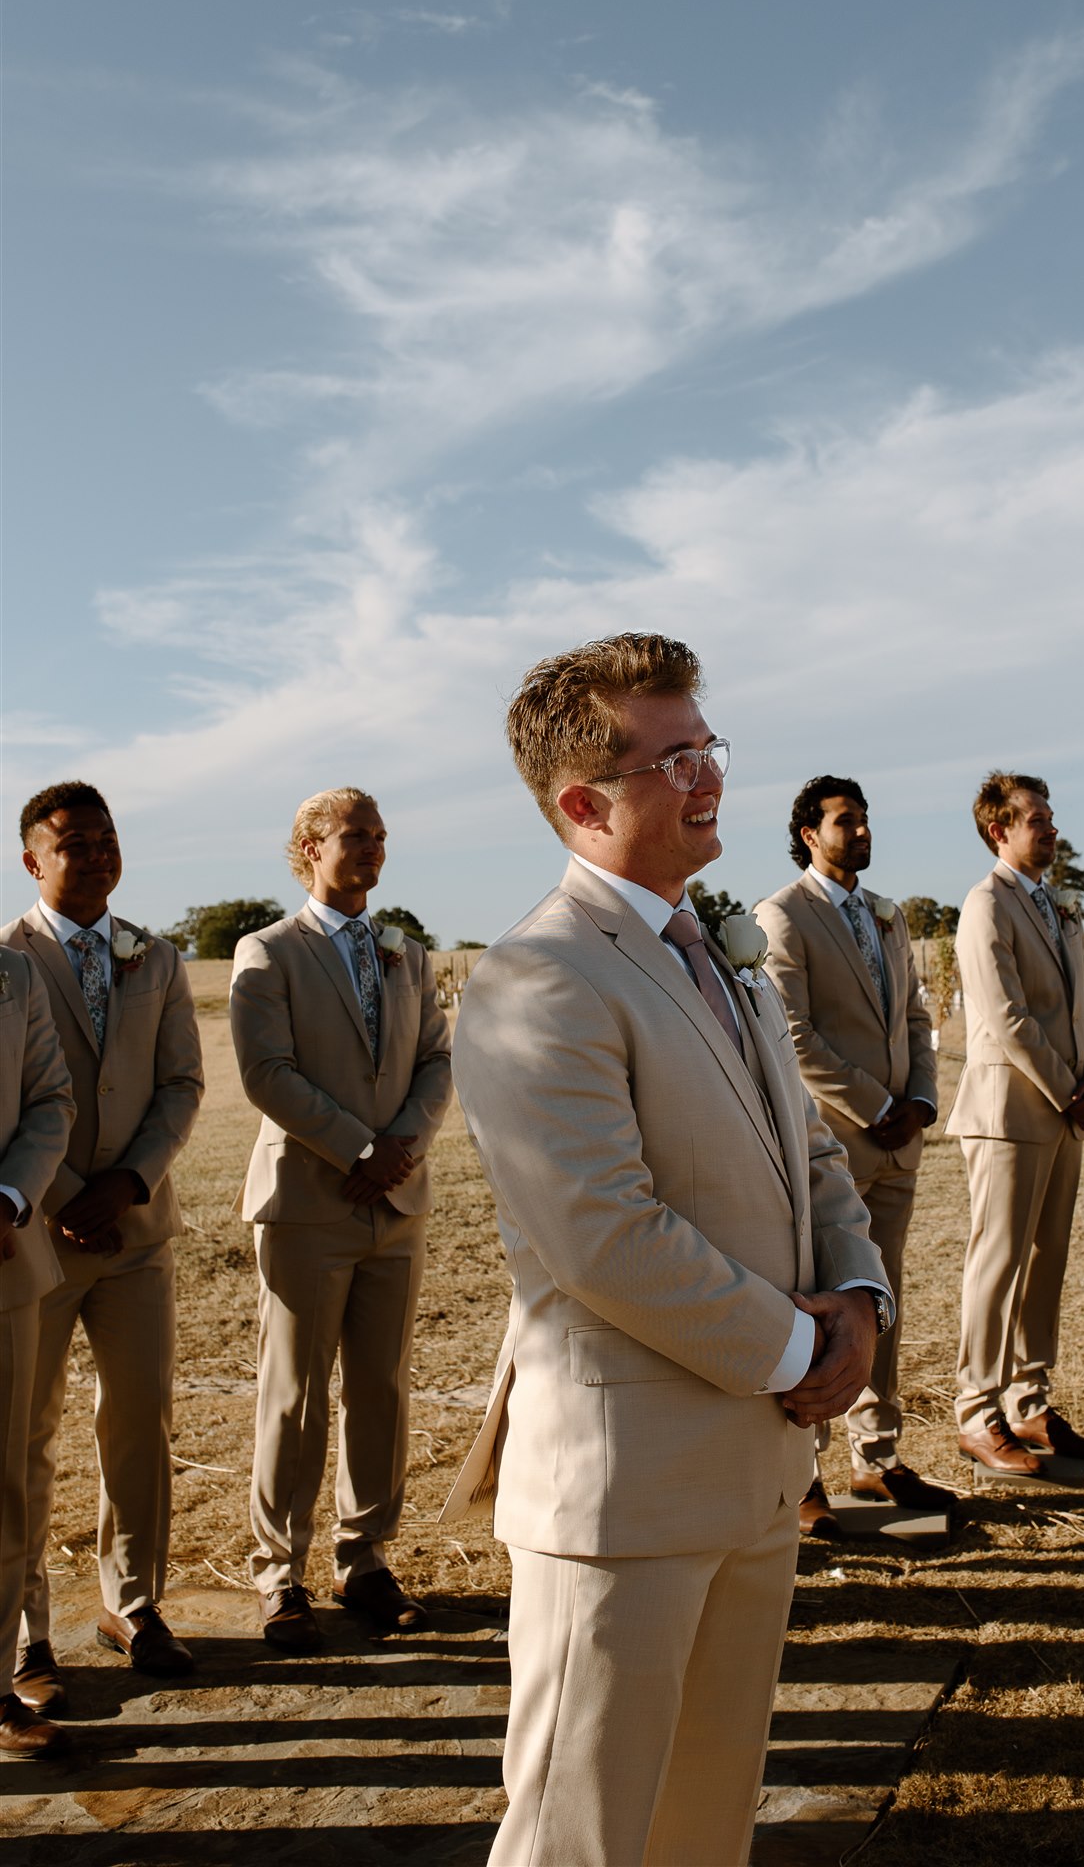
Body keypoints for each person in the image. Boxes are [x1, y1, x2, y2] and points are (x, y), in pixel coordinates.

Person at [442, 633, 890, 1867]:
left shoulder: (723, 953)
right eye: (677, 756)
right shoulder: (539, 975)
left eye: (710, 746)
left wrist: (858, 1299)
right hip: (624, 1489)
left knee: (703, 1822)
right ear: (583, 802)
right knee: (580, 1834)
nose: (711, 776)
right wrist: (805, 1346)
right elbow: (603, 1232)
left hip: (753, 1468)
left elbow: (806, 1152)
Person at [229, 789, 453, 1652]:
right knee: (295, 1394)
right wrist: (358, 1149)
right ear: (310, 847)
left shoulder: (408, 952)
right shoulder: (270, 950)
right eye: (356, 835)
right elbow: (266, 1072)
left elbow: (436, 1056)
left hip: (396, 1201)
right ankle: (277, 1573)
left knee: (381, 1388)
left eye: (380, 836)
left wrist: (402, 1146)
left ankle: (364, 1557)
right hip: (309, 1202)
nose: (373, 848)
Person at [2, 782, 204, 1702]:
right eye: (73, 841)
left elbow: (181, 1084)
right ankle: (26, 1634)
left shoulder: (152, 956)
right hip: (34, 1235)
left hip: (135, 1232)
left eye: (107, 838)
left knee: (139, 1422)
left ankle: (133, 1602)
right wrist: (67, 1193)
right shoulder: (7, 960)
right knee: (23, 1438)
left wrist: (131, 1183)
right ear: (32, 861)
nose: (96, 853)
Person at [757, 775, 952, 1530]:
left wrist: (922, 1103)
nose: (862, 832)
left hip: (898, 1146)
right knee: (818, 1306)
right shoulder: (782, 916)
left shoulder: (887, 915)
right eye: (846, 821)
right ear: (808, 833)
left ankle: (878, 1459)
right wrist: (876, 1106)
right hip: (833, 1147)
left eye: (866, 820)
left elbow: (913, 1013)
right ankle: (800, 1473)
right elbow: (793, 1032)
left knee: (883, 1307)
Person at [947, 772, 1084, 1476]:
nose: (1049, 828)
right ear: (998, 830)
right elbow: (1004, 1016)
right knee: (998, 1263)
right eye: (1035, 819)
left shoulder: (1060, 910)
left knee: (1047, 1263)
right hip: (1008, 1113)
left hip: (1065, 1111)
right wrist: (1064, 1088)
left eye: (1050, 817)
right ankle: (977, 1413)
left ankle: (1029, 1401)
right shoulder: (985, 906)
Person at [0, 949, 75, 1758]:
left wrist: (9, 1197)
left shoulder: (11, 977)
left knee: (5, 1484)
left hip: (3, 1263)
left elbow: (49, 1099)